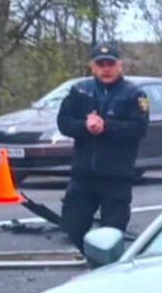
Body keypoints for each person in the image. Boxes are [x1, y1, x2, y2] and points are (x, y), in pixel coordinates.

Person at [56, 43, 151, 250]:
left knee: (112, 235)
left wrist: (105, 127)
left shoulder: (134, 94)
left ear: (120, 65)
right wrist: (86, 127)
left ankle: (108, 271)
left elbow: (138, 128)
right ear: (93, 66)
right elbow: (64, 122)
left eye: (110, 64)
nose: (105, 69)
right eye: (101, 64)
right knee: (72, 226)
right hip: (84, 175)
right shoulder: (80, 91)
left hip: (116, 177)